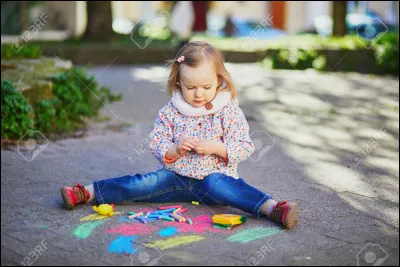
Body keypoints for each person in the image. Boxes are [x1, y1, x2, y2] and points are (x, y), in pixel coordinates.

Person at [60, 41, 299, 229]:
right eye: (190, 87)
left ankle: (273, 208)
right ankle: (87, 192)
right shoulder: (172, 111)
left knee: (229, 188)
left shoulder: (227, 110)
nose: (198, 94)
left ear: (219, 80)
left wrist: (216, 147)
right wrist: (174, 149)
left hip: (213, 180)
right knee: (141, 184)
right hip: (175, 178)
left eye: (206, 87)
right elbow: (156, 142)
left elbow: (245, 146)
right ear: (178, 82)